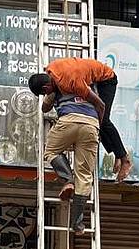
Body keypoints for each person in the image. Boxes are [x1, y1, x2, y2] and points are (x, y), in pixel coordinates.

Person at [29, 57, 132, 182]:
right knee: (101, 123)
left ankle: (124, 158)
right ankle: (117, 153)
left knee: (103, 121)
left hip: (107, 79)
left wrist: (96, 127)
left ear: (46, 87)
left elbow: (100, 105)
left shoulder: (72, 83)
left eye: (45, 93)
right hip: (88, 72)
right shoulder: (51, 70)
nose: (47, 95)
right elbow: (45, 107)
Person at [31, 66, 103, 235]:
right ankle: (77, 224)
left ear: (45, 88)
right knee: (85, 177)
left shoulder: (55, 85)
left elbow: (45, 108)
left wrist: (52, 94)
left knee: (51, 151)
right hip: (91, 125)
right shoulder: (86, 81)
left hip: (68, 121)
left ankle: (68, 180)